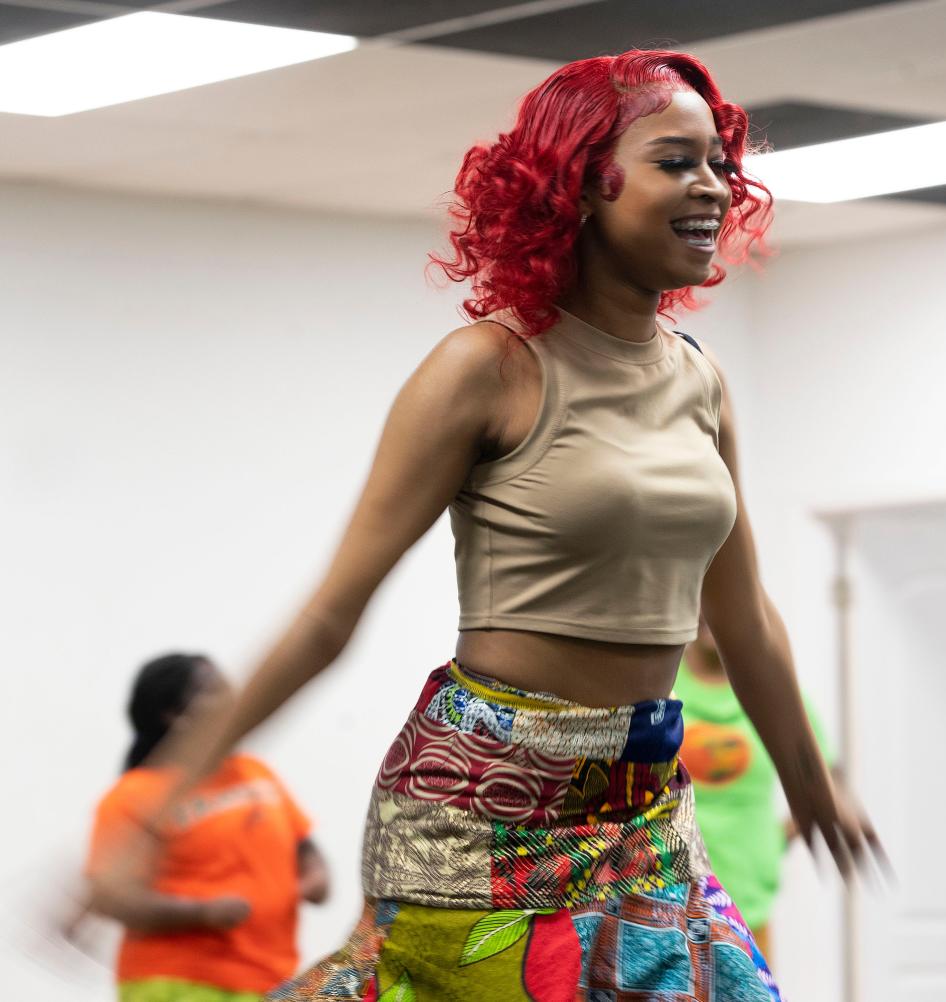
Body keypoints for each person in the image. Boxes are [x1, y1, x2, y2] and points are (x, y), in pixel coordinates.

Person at [97, 50, 882, 1001]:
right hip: (482, 803)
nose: (713, 186)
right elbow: (329, 616)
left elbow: (744, 611)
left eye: (720, 162)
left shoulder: (700, 379)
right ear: (581, 183)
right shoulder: (486, 368)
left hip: (642, 807)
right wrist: (168, 793)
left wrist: (811, 781)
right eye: (677, 161)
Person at [85, 653, 329, 1002]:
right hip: (173, 981)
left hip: (270, 981)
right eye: (212, 691)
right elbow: (112, 897)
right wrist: (202, 913)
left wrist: (315, 875)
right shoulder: (133, 796)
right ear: (173, 715)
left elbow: (302, 842)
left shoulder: (253, 771)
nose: (232, 699)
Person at [675, 617, 836, 962]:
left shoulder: (773, 695)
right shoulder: (661, 687)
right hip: (668, 896)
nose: (710, 614)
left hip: (748, 899)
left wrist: (775, 839)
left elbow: (827, 783)